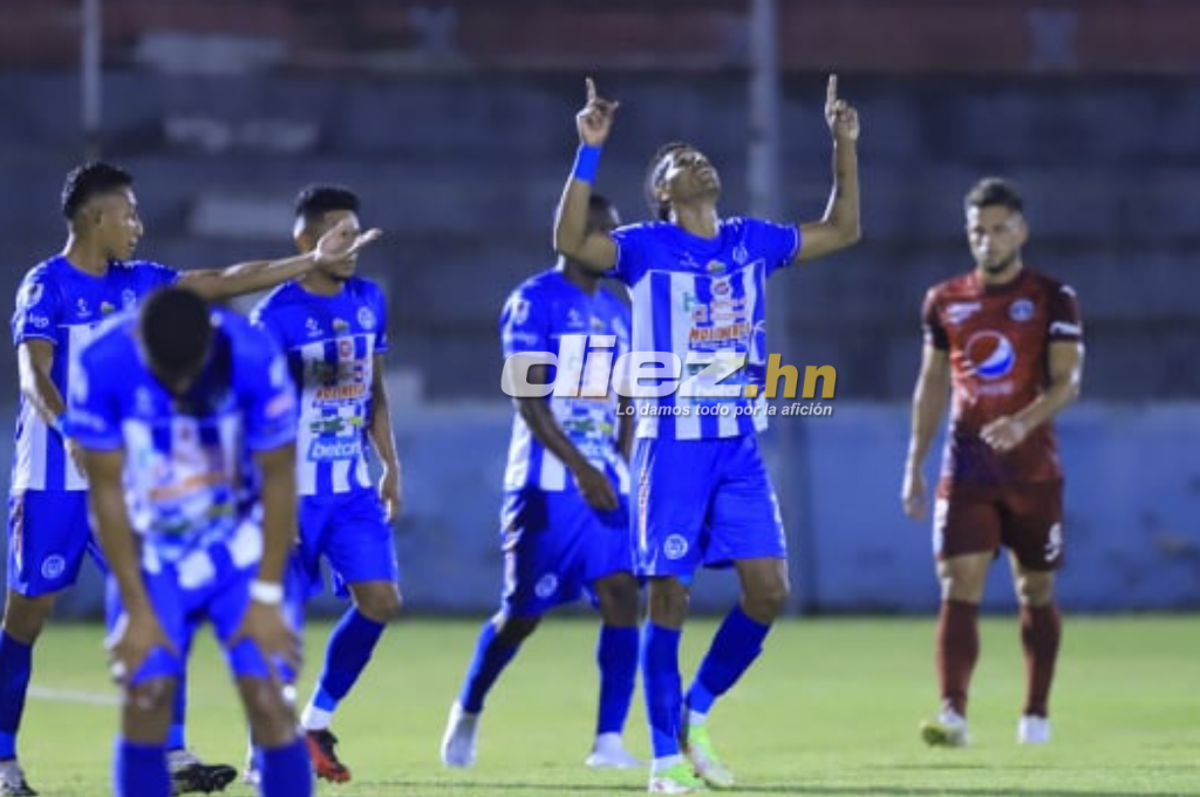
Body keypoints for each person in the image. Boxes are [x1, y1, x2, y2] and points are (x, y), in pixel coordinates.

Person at [1, 162, 378, 796]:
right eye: (130, 214)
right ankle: (4, 759)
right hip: (53, 482)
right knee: (25, 618)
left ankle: (171, 756)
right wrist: (72, 431)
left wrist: (309, 259)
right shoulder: (47, 287)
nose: (139, 227)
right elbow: (33, 375)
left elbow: (224, 281)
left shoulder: (142, 285)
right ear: (97, 216)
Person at [551, 77, 861, 794]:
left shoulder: (752, 240)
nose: (695, 161)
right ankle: (664, 763)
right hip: (672, 443)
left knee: (769, 590)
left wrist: (843, 146)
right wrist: (588, 151)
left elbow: (842, 230)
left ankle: (693, 711)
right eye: (677, 161)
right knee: (669, 599)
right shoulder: (641, 246)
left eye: (698, 154)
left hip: (737, 446)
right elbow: (568, 239)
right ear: (662, 192)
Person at [68, 286, 312, 797]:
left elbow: (279, 475)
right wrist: (136, 608)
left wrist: (267, 596)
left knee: (269, 700)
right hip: (154, 556)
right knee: (145, 699)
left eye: (191, 371)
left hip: (241, 552)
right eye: (166, 374)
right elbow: (106, 491)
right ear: (139, 343)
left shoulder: (252, 353)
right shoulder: (101, 362)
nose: (180, 385)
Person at [440, 194, 641, 771]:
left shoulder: (619, 312)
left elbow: (628, 396)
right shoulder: (531, 302)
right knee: (522, 614)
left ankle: (607, 741)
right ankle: (469, 707)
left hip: (604, 483)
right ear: (573, 233)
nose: (612, 242)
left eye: (616, 233)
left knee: (624, 594)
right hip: (544, 484)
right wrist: (582, 469)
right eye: (602, 231)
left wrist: (617, 464)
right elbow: (528, 398)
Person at [901, 177, 1084, 748]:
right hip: (968, 469)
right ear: (968, 233)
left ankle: (1035, 713)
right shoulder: (944, 300)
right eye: (979, 229)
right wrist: (915, 464)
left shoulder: (1054, 297)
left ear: (1021, 230)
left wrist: (1023, 421)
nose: (989, 239)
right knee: (958, 582)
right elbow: (931, 384)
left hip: (1034, 473)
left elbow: (1069, 381)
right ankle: (953, 713)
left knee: (1035, 590)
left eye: (1000, 228)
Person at [249, 185, 402, 783]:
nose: (355, 244)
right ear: (305, 241)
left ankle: (313, 720)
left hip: (352, 488)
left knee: (381, 601)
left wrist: (390, 464)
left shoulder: (369, 299)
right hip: (291, 490)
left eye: (359, 232)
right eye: (342, 233)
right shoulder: (273, 316)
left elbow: (375, 391)